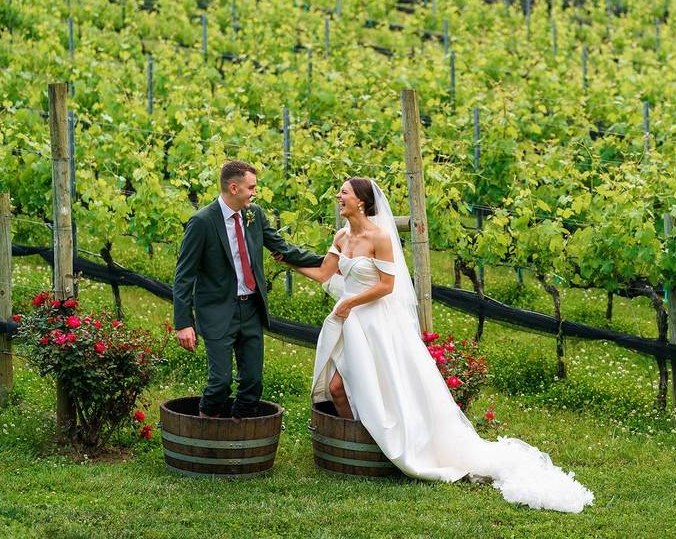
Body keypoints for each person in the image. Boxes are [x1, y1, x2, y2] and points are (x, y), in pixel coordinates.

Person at [283, 177, 594, 513]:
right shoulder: (342, 236)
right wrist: (285, 259)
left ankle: (385, 443)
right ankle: (365, 440)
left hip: (376, 324)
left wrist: (351, 302)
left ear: (361, 201)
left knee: (368, 384)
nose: (338, 197)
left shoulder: (380, 237)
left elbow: (388, 285)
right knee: (340, 388)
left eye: (344, 192)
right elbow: (323, 273)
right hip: (353, 322)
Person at [172, 160, 324, 419]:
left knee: (253, 384)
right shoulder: (202, 222)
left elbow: (282, 248)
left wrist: (328, 260)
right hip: (218, 311)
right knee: (220, 383)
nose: (254, 192)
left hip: (251, 309)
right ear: (233, 187)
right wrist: (183, 323)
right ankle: (205, 429)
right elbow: (183, 277)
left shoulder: (254, 215)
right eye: (251, 187)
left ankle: (237, 433)